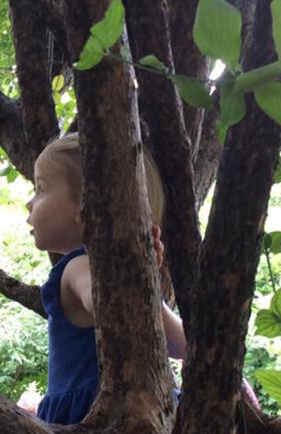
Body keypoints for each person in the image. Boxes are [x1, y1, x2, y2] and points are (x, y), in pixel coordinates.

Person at [22, 133, 186, 425]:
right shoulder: (83, 268)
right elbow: (183, 344)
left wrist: (142, 281)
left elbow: (109, 308)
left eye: (41, 188)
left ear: (87, 205)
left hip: (95, 415)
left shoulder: (77, 266)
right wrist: (142, 281)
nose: (29, 203)